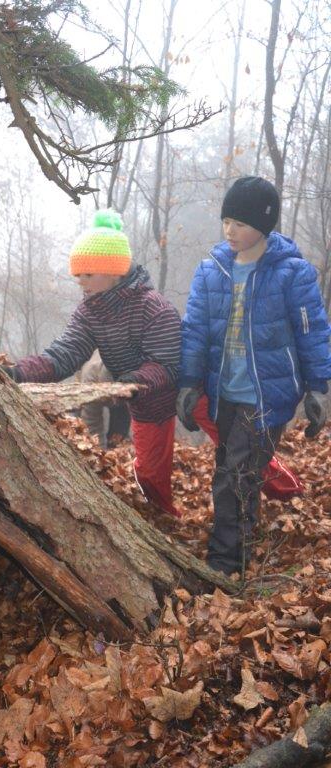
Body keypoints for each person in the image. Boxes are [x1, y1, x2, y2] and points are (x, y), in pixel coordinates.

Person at [177, 176, 331, 576]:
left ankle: (226, 565)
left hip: (267, 396)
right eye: (226, 221)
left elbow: (312, 331)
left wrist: (318, 388)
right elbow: (195, 331)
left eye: (240, 223)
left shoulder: (292, 273)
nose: (229, 230)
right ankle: (239, 544)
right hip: (225, 393)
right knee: (234, 470)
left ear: (263, 226)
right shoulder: (211, 271)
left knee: (237, 475)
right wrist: (189, 383)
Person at [2, 209, 182, 518]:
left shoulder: (153, 308)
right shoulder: (90, 311)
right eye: (78, 275)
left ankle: (169, 521)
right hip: (140, 401)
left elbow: (167, 364)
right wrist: (17, 373)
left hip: (175, 395)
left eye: (87, 274)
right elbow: (65, 353)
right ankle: (161, 518)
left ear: (114, 272)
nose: (80, 281)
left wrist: (132, 382)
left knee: (234, 453)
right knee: (148, 475)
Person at [78, 350, 131, 448]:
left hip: (126, 393)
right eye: (111, 396)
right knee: (81, 424)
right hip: (90, 390)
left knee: (119, 435)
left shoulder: (136, 374)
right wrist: (99, 451)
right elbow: (92, 423)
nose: (114, 401)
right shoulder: (89, 382)